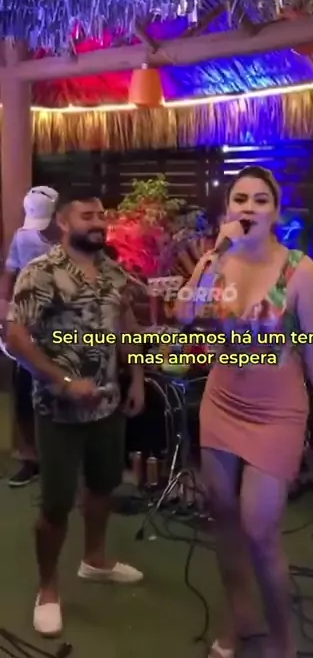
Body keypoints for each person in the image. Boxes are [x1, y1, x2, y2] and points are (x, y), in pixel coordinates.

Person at [176, 166, 313, 658]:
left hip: (277, 412)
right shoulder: (218, 262)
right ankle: (240, 620)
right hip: (222, 402)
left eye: (260, 199)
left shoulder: (300, 271)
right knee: (224, 521)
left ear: (276, 212)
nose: (249, 207)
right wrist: (213, 255)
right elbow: (183, 314)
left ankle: (283, 643)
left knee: (259, 530)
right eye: (240, 198)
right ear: (228, 209)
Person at [6, 187, 145, 637]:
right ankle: (48, 589)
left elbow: (126, 324)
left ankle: (95, 560)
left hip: (107, 404)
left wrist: (136, 378)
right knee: (56, 504)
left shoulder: (113, 272)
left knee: (103, 486)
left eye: (101, 216)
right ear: (64, 223)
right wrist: (63, 381)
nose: (98, 223)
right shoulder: (41, 272)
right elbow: (15, 337)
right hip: (58, 410)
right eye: (87, 216)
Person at [0, 186, 59, 487]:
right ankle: (30, 458)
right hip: (27, 325)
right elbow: (10, 272)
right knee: (24, 393)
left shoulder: (67, 241)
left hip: (60, 329)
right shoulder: (23, 238)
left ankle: (58, 459)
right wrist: (4, 308)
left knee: (57, 392)